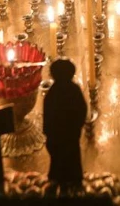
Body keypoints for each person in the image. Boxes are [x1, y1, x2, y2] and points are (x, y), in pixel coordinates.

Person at [42, 58, 86, 188]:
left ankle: (65, 179)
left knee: (63, 157)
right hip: (66, 134)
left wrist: (48, 131)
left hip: (63, 135)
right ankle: (63, 179)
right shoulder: (72, 90)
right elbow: (82, 109)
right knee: (63, 157)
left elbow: (81, 109)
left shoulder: (53, 93)